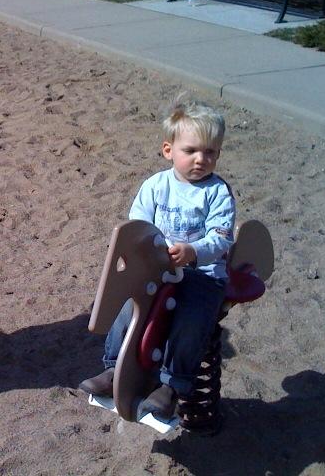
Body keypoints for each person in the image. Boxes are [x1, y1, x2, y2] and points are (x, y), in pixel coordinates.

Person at [79, 100, 235, 420]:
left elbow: (221, 238)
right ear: (168, 150)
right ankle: (114, 368)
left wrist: (193, 251)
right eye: (191, 150)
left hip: (202, 273)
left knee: (191, 318)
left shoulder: (217, 192)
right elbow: (138, 227)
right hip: (157, 269)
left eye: (210, 152)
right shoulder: (155, 186)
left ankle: (172, 385)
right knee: (129, 305)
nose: (201, 159)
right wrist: (148, 254)